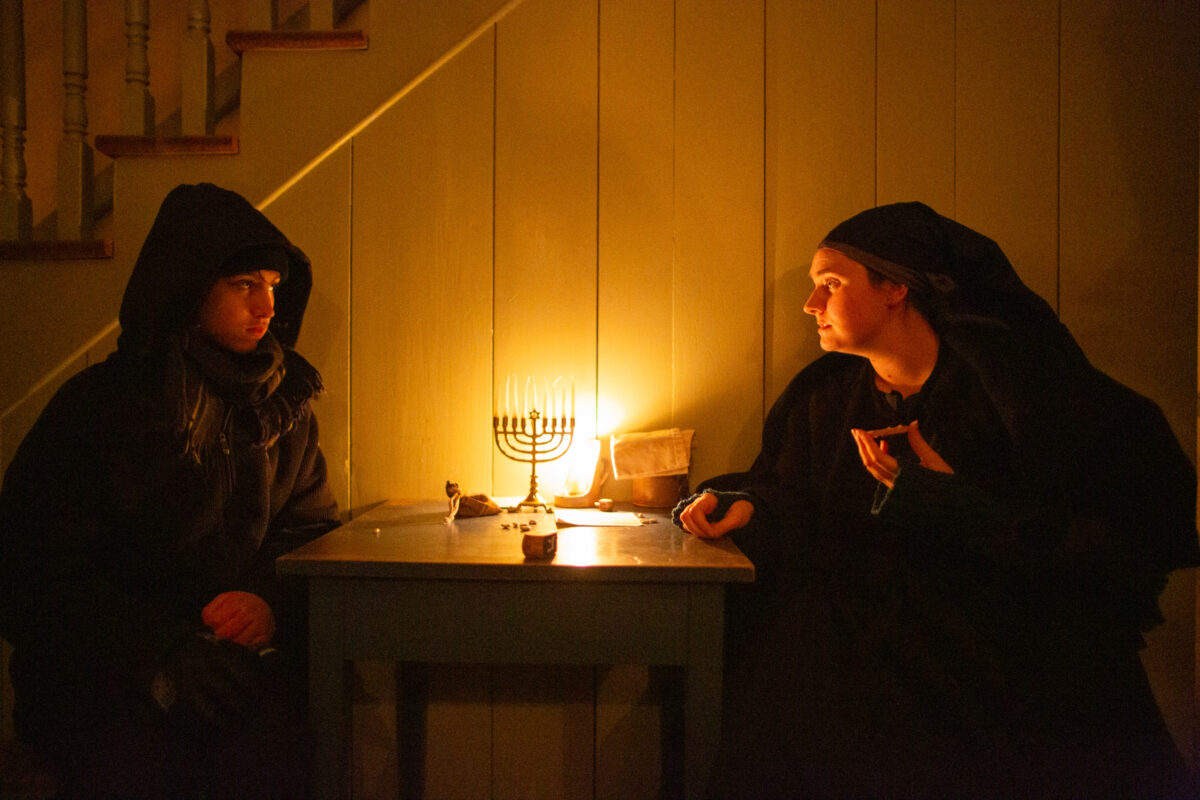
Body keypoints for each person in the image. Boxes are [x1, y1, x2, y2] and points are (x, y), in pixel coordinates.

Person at [675, 202, 1200, 799]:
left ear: (896, 286)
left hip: (989, 655)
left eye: (831, 283)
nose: (810, 305)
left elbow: (1097, 546)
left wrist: (946, 502)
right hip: (851, 650)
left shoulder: (1013, 400)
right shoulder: (826, 398)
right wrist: (753, 508)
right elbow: (799, 500)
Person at [0, 183, 340, 798]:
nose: (266, 304)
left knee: (276, 741)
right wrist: (160, 652)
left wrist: (266, 603)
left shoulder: (284, 407)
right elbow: (34, 569)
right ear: (189, 288)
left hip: (235, 663)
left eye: (272, 285)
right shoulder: (102, 409)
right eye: (244, 285)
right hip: (108, 676)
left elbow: (310, 535)